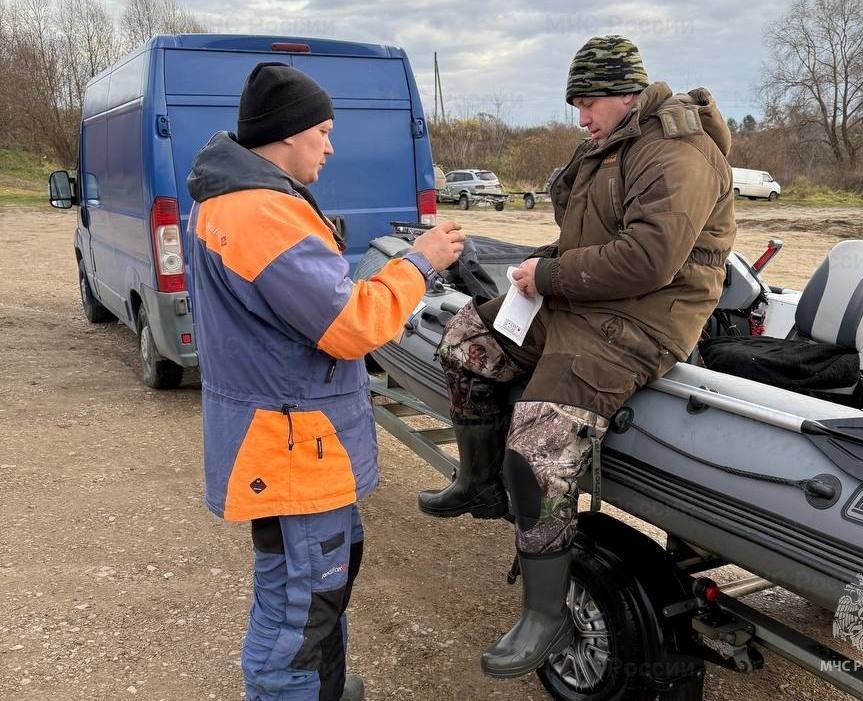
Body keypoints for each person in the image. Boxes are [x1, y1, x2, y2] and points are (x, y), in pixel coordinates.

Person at [418, 35, 737, 677]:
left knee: (536, 446)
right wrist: (542, 267)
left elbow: (650, 258)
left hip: (641, 320)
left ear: (625, 93)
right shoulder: (607, 148)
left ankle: (546, 613)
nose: (580, 117)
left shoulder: (678, 151)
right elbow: (587, 237)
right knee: (466, 341)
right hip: (585, 302)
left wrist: (552, 277)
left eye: (587, 103)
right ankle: (480, 484)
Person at [185, 62, 464, 701]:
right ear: (288, 135)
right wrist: (420, 263)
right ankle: (292, 690)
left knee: (312, 584)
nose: (332, 147)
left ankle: (324, 688)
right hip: (292, 445)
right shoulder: (262, 213)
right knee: (301, 606)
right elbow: (350, 323)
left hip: (285, 437)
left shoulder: (233, 199)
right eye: (325, 132)